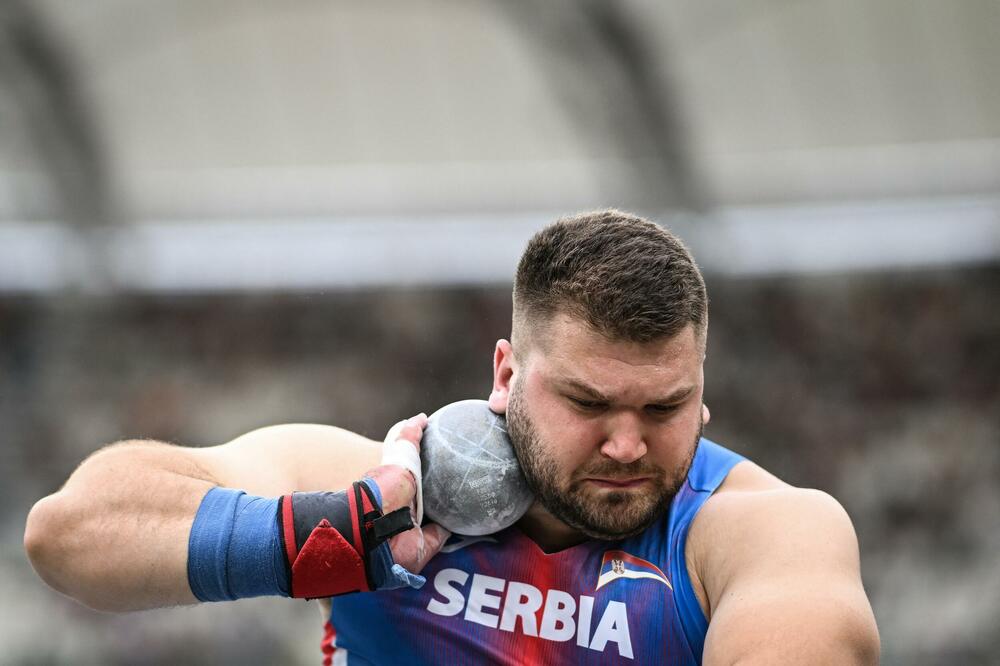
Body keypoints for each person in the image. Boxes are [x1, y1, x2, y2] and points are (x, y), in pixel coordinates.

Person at [24, 210, 880, 664]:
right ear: (505, 375)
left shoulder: (762, 534)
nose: (627, 445)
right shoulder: (380, 489)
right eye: (588, 402)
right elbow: (69, 536)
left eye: (664, 408)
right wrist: (334, 538)